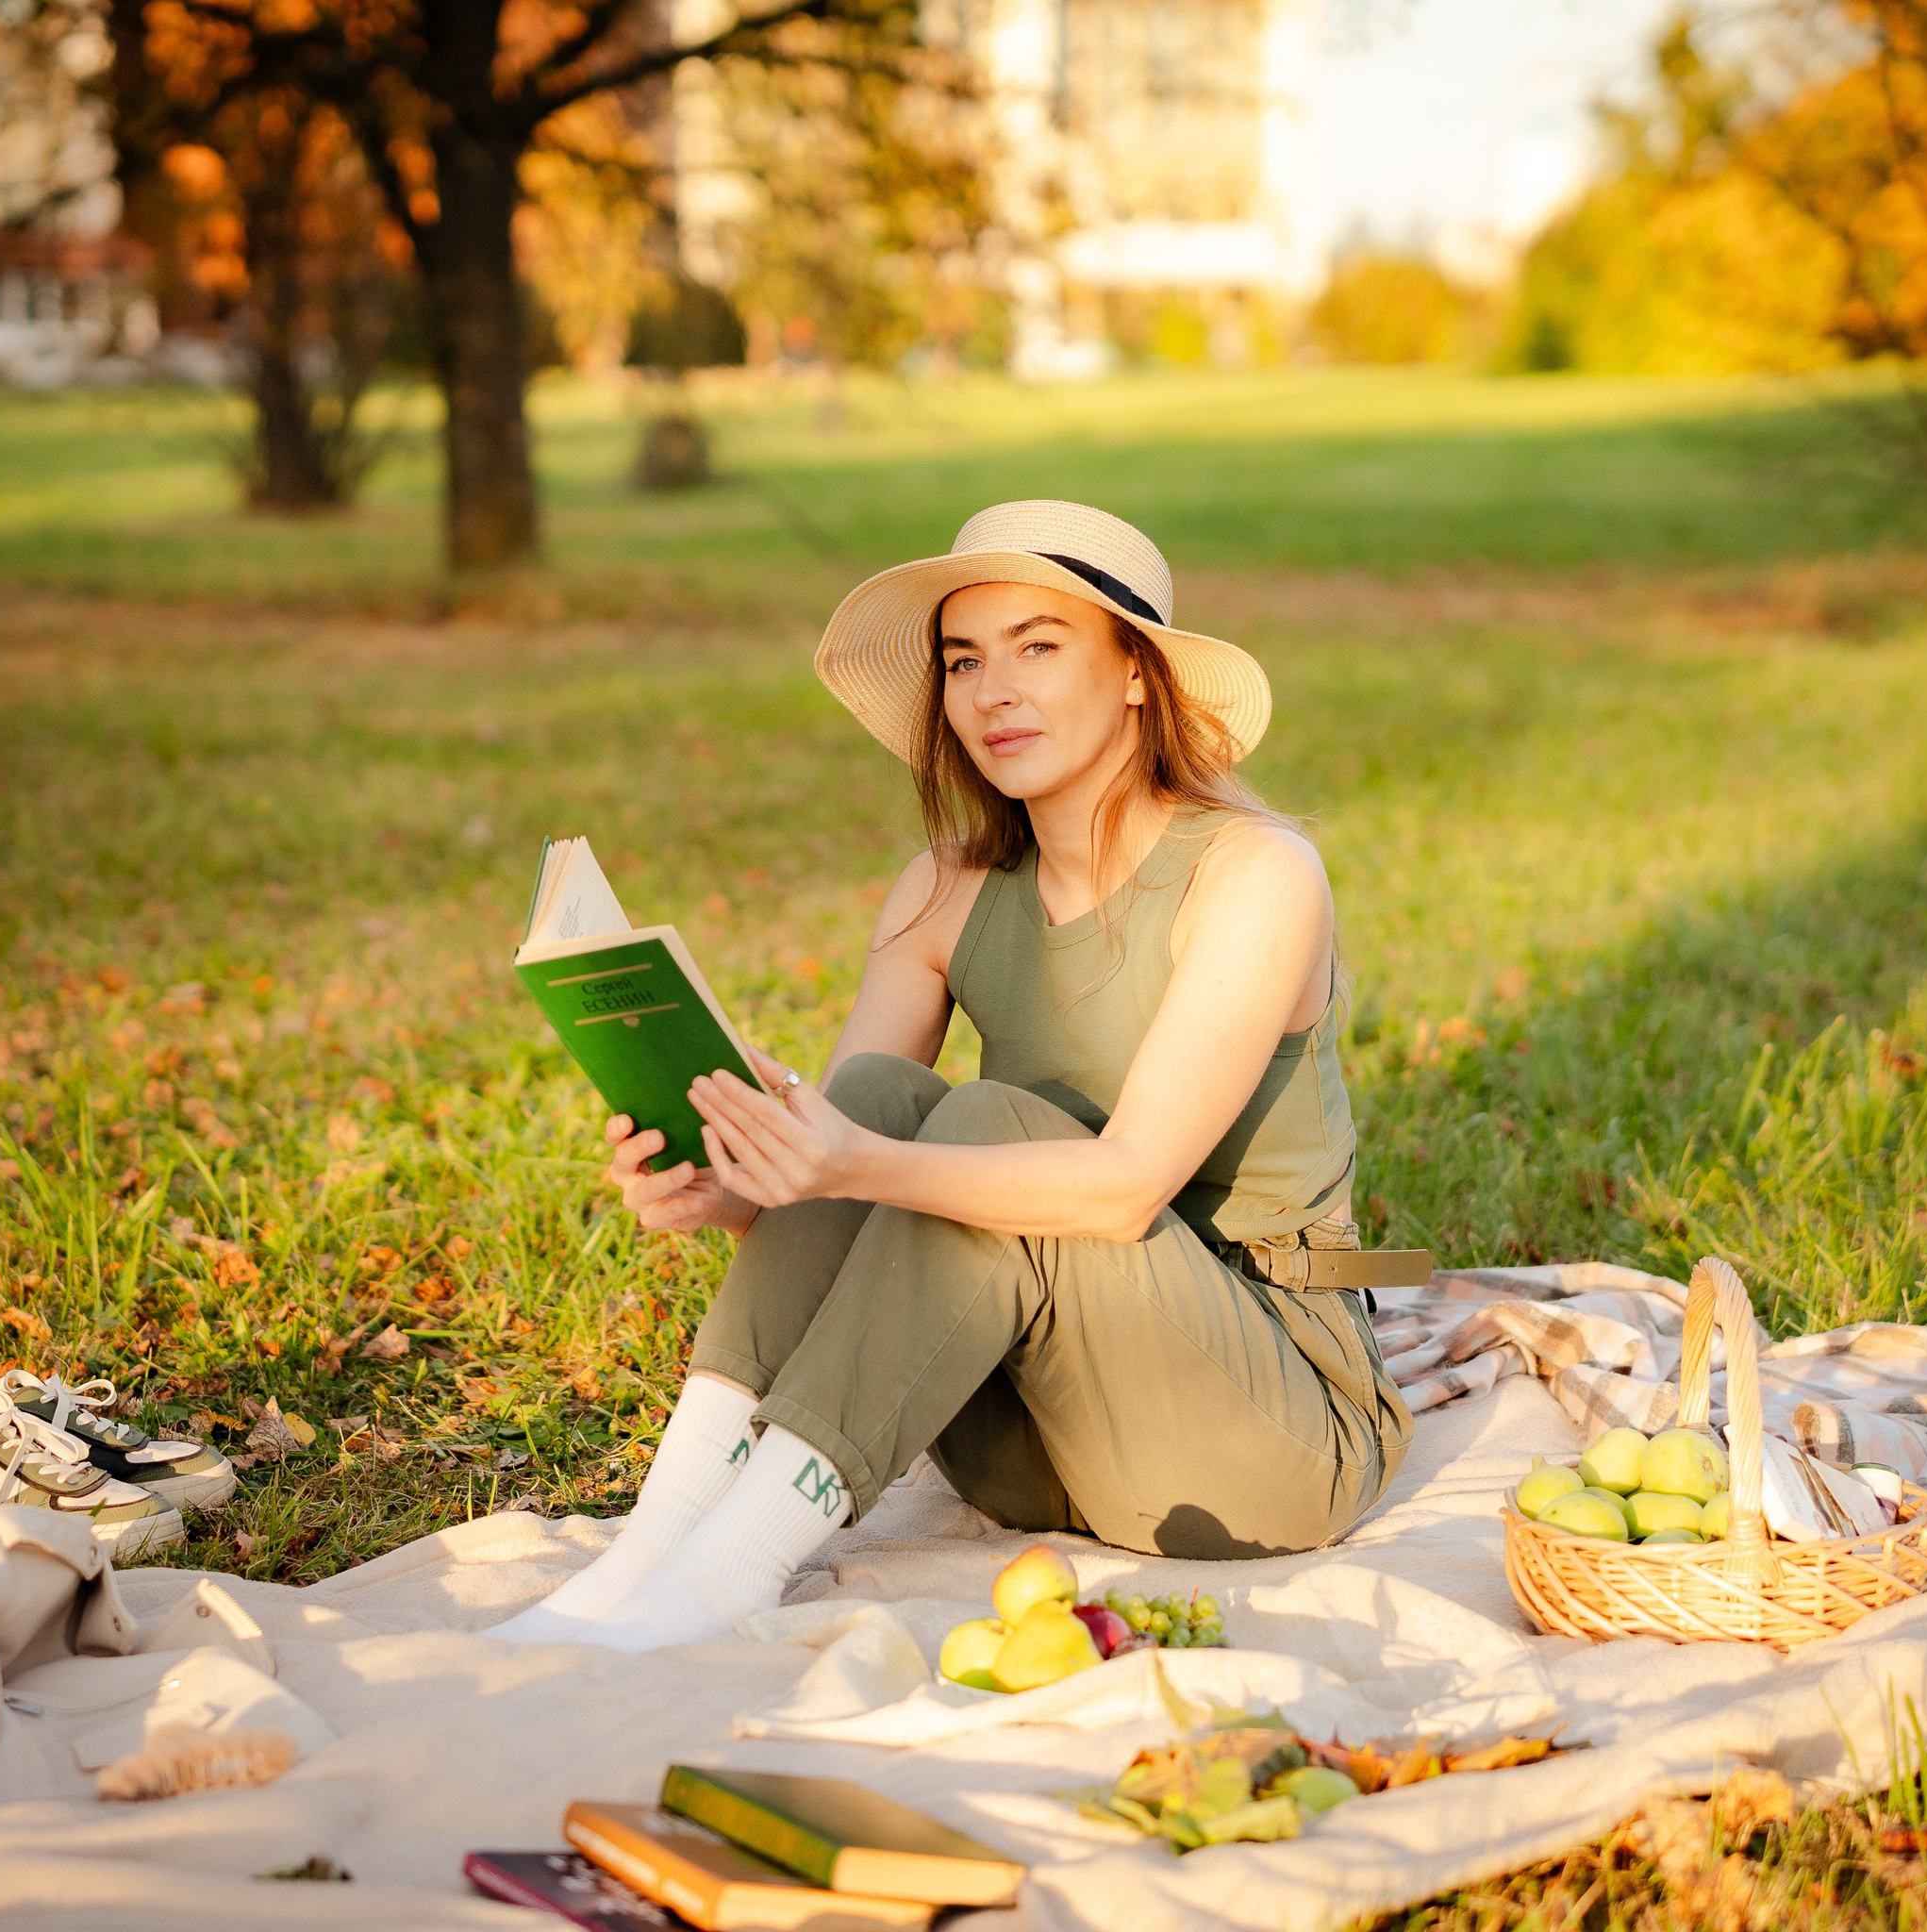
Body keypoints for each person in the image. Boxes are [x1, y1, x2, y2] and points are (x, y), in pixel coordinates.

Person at [490, 500, 1412, 1652]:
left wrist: (855, 1156)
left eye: (1038, 646)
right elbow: (849, 1172)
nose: (991, 692)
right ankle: (657, 1542)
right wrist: (730, 1186)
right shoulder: (946, 888)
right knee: (873, 1097)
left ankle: (729, 1570)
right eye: (963, 660)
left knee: (973, 1124)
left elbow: (1124, 1186)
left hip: (1259, 1434)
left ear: (1137, 674)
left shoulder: (1254, 874)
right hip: (1025, 1444)